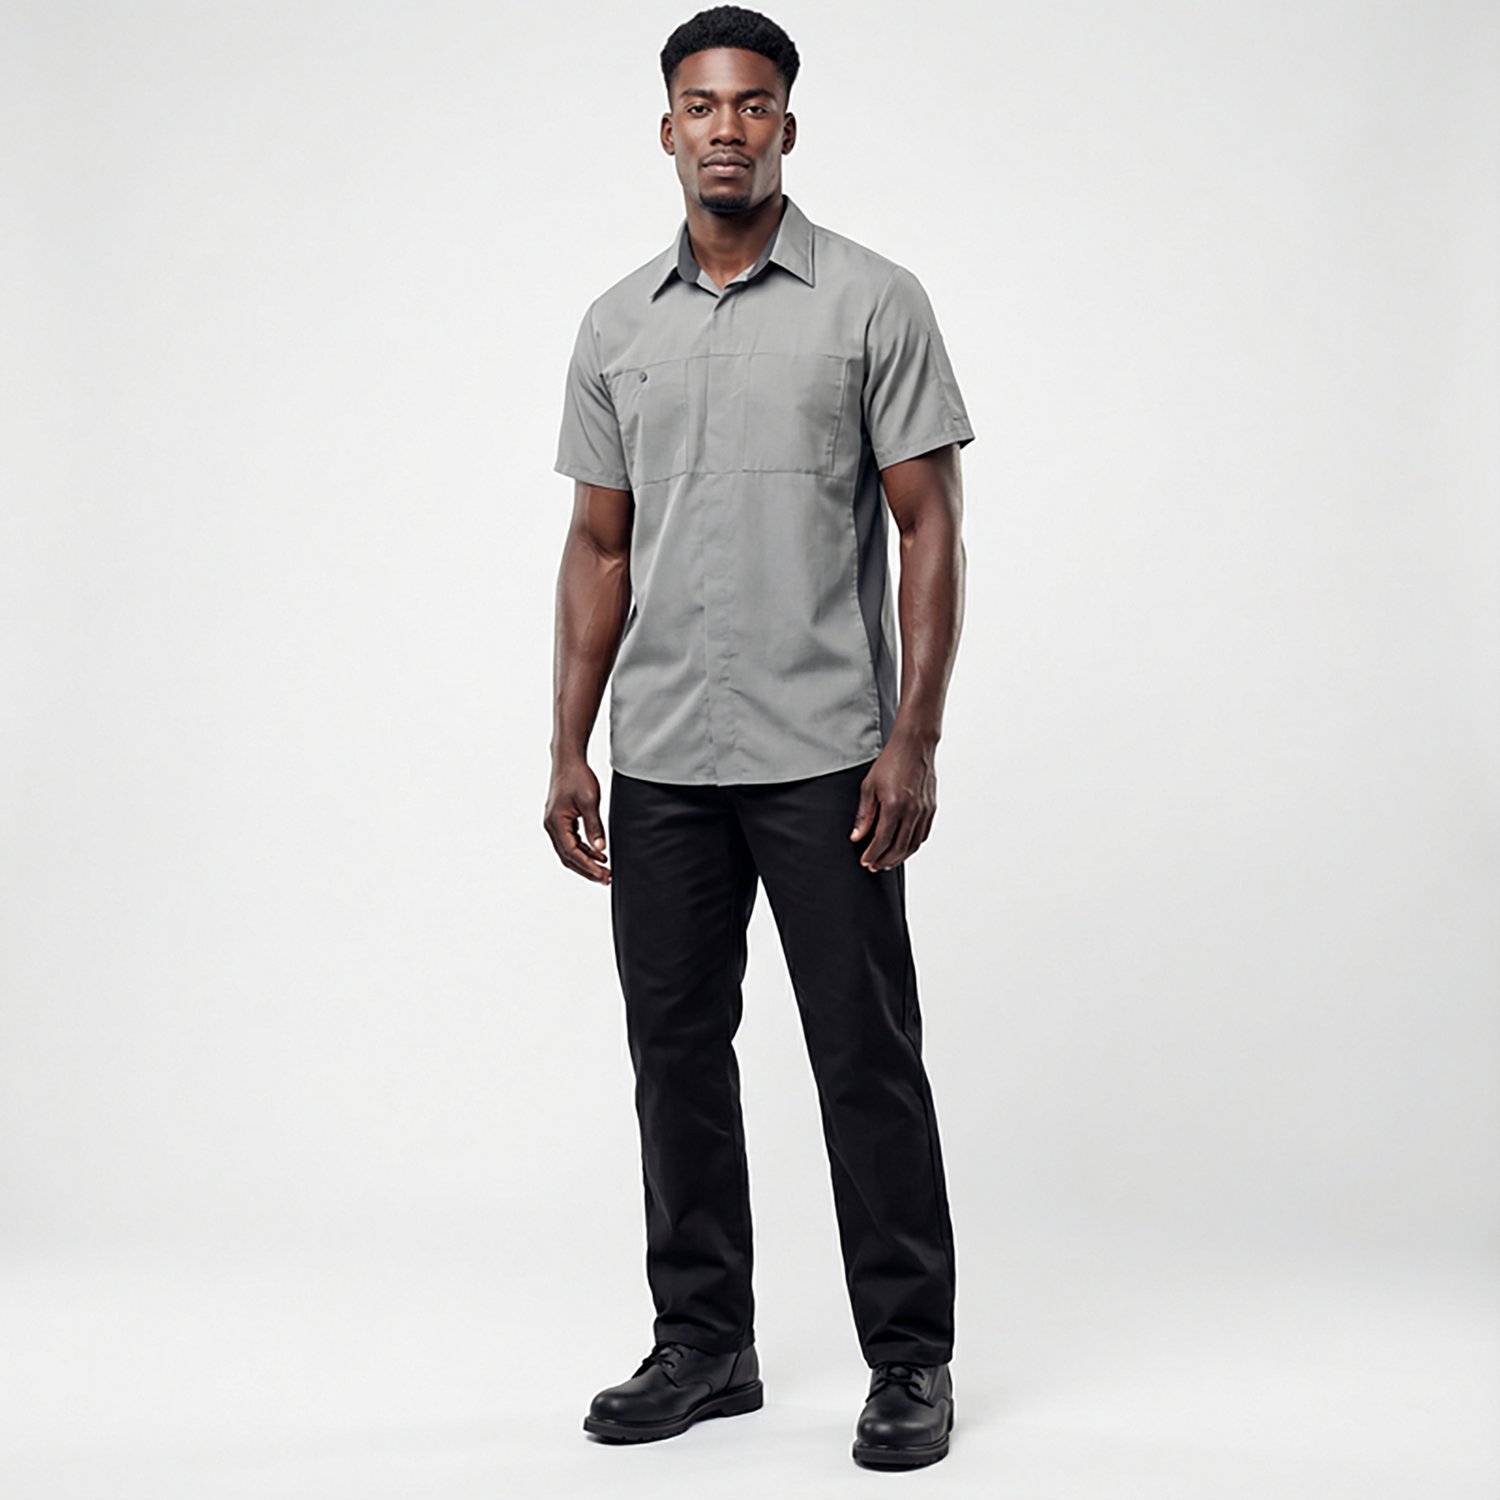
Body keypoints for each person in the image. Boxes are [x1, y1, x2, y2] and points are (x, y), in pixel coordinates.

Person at [544, 4, 974, 1472]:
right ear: (666, 129)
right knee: (674, 1053)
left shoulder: (874, 301)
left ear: (787, 125)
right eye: (700, 105)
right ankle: (704, 1344)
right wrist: (568, 746)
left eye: (751, 104)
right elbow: (598, 547)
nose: (725, 128)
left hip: (827, 753)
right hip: (663, 753)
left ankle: (910, 1359)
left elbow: (929, 528)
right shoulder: (616, 326)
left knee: (864, 1055)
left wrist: (914, 735)